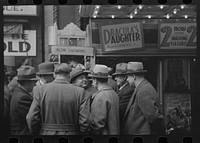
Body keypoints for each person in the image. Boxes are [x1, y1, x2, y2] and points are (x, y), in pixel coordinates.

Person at [26, 63, 89, 135]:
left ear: (54, 75)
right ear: (69, 75)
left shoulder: (40, 90)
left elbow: (31, 117)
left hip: (46, 133)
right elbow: (85, 120)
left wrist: (36, 132)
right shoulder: (79, 92)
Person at [123, 62, 164, 135]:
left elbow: (153, 117)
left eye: (127, 77)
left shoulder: (143, 90)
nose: (126, 80)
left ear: (134, 76)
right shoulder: (142, 88)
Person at [88, 64, 120, 135]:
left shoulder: (100, 96)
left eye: (92, 80)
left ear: (95, 80)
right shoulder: (114, 93)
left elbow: (97, 125)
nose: (92, 83)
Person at [9, 66, 38, 135]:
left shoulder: (18, 93)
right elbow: (32, 118)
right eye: (34, 81)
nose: (35, 84)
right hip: (22, 132)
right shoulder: (23, 98)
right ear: (27, 82)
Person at [112, 63, 134, 134]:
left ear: (125, 77)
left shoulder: (128, 90)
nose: (115, 79)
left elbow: (120, 109)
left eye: (117, 76)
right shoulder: (122, 88)